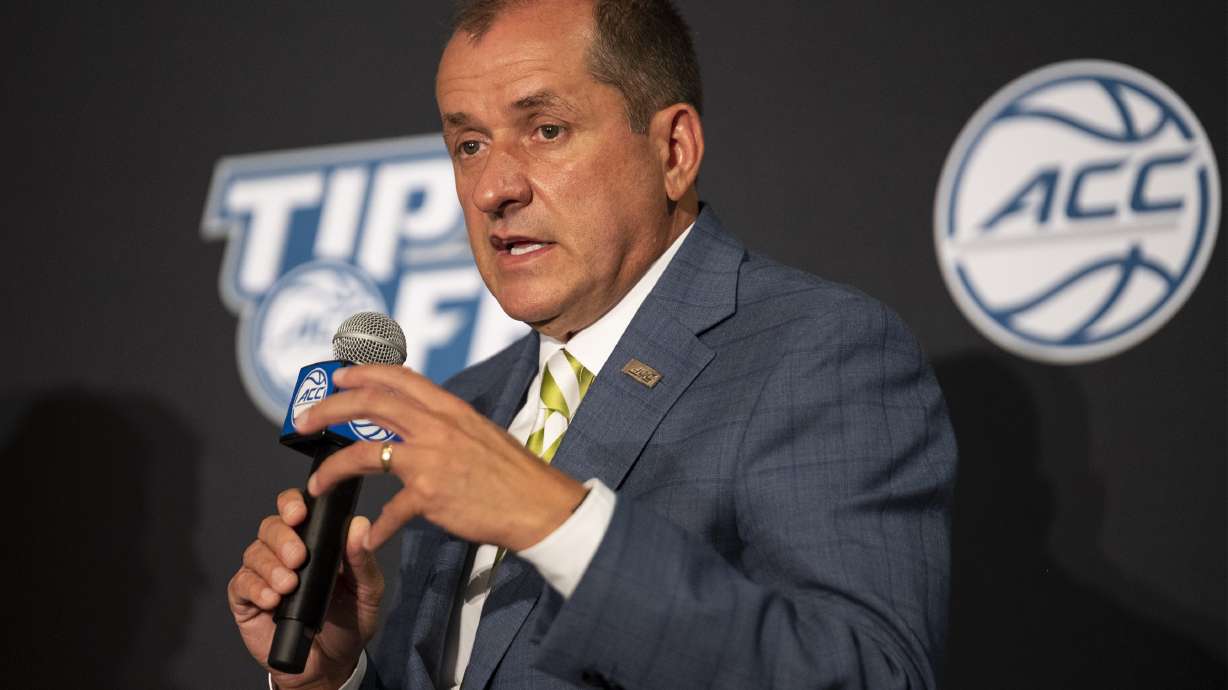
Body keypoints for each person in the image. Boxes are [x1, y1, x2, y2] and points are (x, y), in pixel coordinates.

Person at [227, 1, 957, 688]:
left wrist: (554, 519)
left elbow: (869, 673)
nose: (492, 189)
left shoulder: (817, 351)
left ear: (675, 149)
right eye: (469, 144)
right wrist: (338, 679)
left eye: (546, 129)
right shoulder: (471, 402)